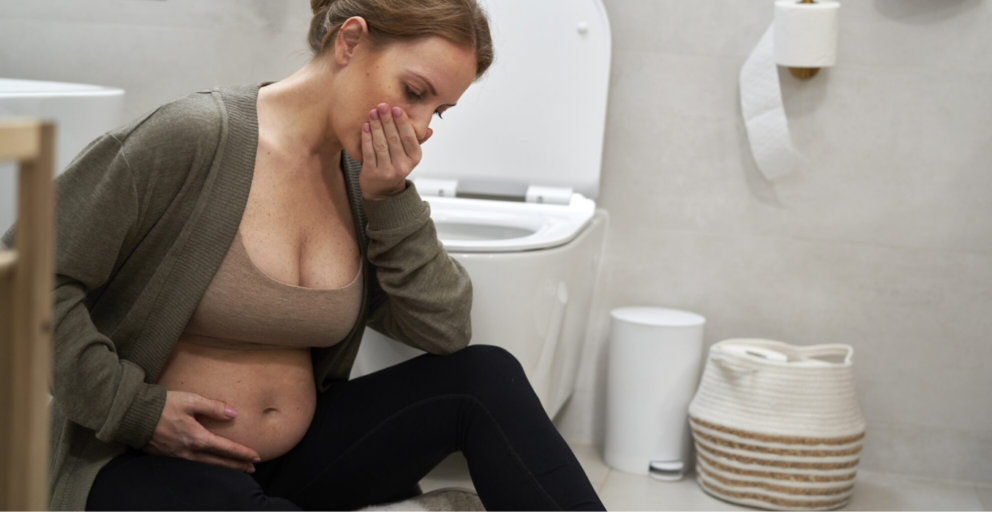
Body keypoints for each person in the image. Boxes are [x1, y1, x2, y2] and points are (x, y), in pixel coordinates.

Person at [8, 0, 607, 510]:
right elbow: (24, 275)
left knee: (486, 376)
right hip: (142, 462)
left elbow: (446, 330)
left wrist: (390, 200)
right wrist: (133, 409)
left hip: (296, 461)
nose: (424, 128)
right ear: (350, 41)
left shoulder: (367, 181)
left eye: (439, 111)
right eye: (414, 93)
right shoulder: (192, 137)